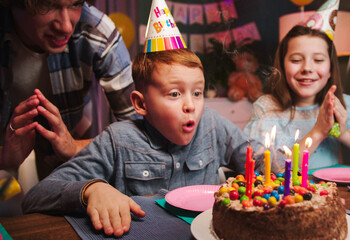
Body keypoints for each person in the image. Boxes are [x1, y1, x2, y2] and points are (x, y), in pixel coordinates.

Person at [22, 48, 268, 237]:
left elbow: (257, 158)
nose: (190, 106)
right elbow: (36, 196)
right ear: (141, 104)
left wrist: (279, 167)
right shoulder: (117, 140)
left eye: (197, 93)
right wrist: (92, 190)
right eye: (175, 93)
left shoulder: (212, 125)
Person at [0, 0, 137, 179]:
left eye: (75, 4)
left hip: (69, 156)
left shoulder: (97, 30)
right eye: (47, 5)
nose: (65, 26)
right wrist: (4, 158)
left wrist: (75, 147)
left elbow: (141, 134)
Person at [244, 25, 350, 170]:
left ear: (330, 70)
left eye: (318, 60)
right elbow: (262, 168)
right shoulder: (268, 108)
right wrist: (318, 132)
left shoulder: (339, 105)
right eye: (296, 60)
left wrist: (342, 133)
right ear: (282, 67)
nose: (307, 68)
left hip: (330, 193)